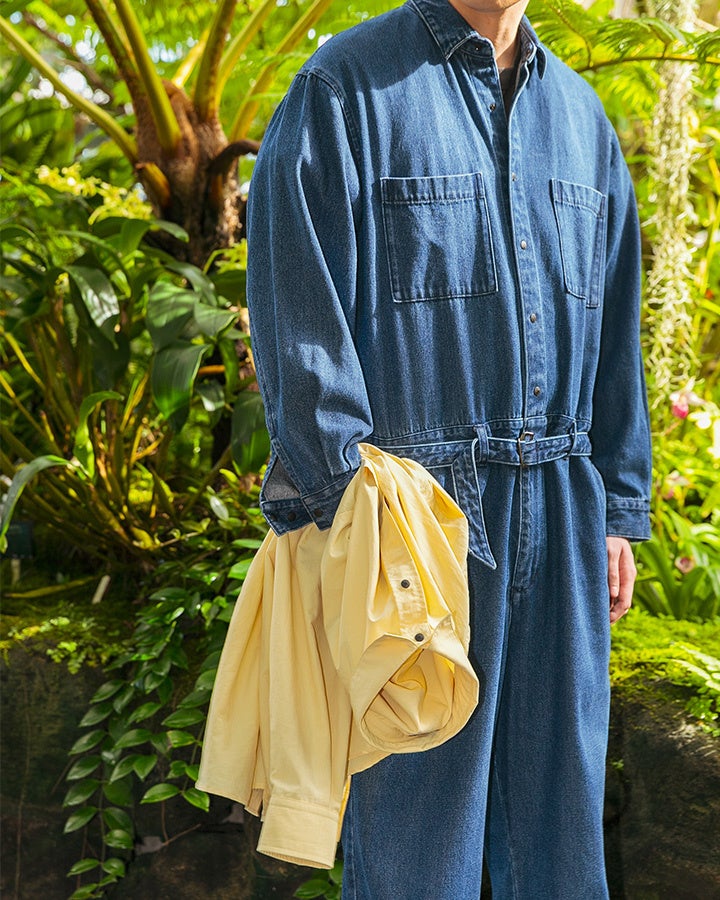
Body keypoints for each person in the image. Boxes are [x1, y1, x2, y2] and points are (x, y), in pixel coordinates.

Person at [245, 0, 652, 896]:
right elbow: (297, 315)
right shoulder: (344, 89)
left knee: (562, 842)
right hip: (417, 529)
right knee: (417, 851)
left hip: (564, 513)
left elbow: (617, 329)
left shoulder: (583, 120)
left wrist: (617, 511)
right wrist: (350, 506)